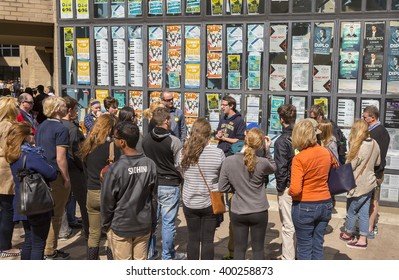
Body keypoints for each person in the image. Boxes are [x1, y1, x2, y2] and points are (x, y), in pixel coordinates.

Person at [101, 121, 158, 260]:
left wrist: (106, 224)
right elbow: (154, 197)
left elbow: (107, 200)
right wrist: (152, 221)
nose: (113, 140)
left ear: (122, 142)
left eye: (114, 138)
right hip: (143, 224)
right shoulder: (149, 164)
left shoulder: (115, 169)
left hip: (121, 226)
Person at [219, 128, 276, 260]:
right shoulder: (262, 162)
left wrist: (236, 187)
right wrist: (268, 151)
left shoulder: (229, 161)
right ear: (260, 144)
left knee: (239, 248)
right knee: (258, 249)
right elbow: (274, 168)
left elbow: (222, 186)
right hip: (259, 209)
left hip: (238, 210)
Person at [6, 122, 57, 260]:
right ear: (25, 136)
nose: (34, 135)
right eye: (32, 133)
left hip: (22, 202)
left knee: (29, 241)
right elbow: (51, 173)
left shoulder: (14, 154)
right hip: (37, 203)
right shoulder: (32, 155)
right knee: (38, 244)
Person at [178, 118, 225, 260]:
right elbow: (221, 176)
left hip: (189, 200)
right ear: (208, 134)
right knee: (207, 240)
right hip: (210, 201)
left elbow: (181, 173)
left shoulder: (183, 152)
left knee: (192, 238)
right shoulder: (218, 153)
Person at [142, 107, 184, 260]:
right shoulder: (174, 141)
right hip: (170, 184)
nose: (171, 121)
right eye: (170, 119)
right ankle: (168, 256)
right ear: (166, 120)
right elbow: (179, 164)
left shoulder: (145, 139)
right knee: (168, 223)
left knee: (153, 222)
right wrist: (182, 178)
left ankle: (151, 253)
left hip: (152, 184)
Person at [78, 114, 121, 260]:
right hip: (108, 193)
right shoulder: (114, 147)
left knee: (94, 232)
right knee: (110, 232)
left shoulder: (88, 145)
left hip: (91, 191)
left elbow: (84, 171)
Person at [288, 119, 332, 260]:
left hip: (305, 204)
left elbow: (295, 189)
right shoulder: (326, 152)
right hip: (325, 202)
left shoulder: (299, 158)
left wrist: (288, 192)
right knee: (317, 244)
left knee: (304, 247)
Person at [35, 96, 71, 260]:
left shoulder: (42, 126)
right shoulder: (61, 129)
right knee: (56, 214)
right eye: (63, 106)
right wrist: (66, 178)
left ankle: (49, 247)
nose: (66, 108)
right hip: (56, 174)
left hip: (42, 173)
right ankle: (50, 250)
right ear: (57, 108)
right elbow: (60, 158)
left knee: (48, 214)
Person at [339, 120, 381, 250]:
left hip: (358, 185)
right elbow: (378, 162)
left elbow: (349, 166)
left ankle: (348, 233)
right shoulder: (374, 143)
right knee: (363, 212)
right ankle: (363, 239)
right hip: (369, 183)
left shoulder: (359, 146)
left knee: (351, 211)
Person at [61, 96, 89, 238]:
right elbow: (75, 151)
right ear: (70, 110)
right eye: (76, 109)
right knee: (83, 200)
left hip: (61, 167)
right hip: (73, 168)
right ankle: (89, 231)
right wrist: (81, 166)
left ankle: (63, 229)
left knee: (63, 201)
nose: (77, 112)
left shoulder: (56, 124)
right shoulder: (71, 128)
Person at [362, 105, 390, 239]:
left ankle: (369, 228)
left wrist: (375, 173)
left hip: (375, 173)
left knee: (373, 200)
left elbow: (380, 156)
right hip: (369, 172)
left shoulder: (381, 132)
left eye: (365, 117)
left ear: (372, 118)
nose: (363, 119)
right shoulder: (371, 130)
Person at [273, 104, 296, 260]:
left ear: (281, 120)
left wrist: (281, 188)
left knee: (288, 225)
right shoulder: (300, 136)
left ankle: (287, 258)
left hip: (288, 186)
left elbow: (281, 167)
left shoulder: (282, 141)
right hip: (300, 184)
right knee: (296, 224)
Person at [0, 96, 21, 258]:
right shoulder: (8, 127)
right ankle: (4, 246)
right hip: (5, 169)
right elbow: (12, 151)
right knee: (8, 209)